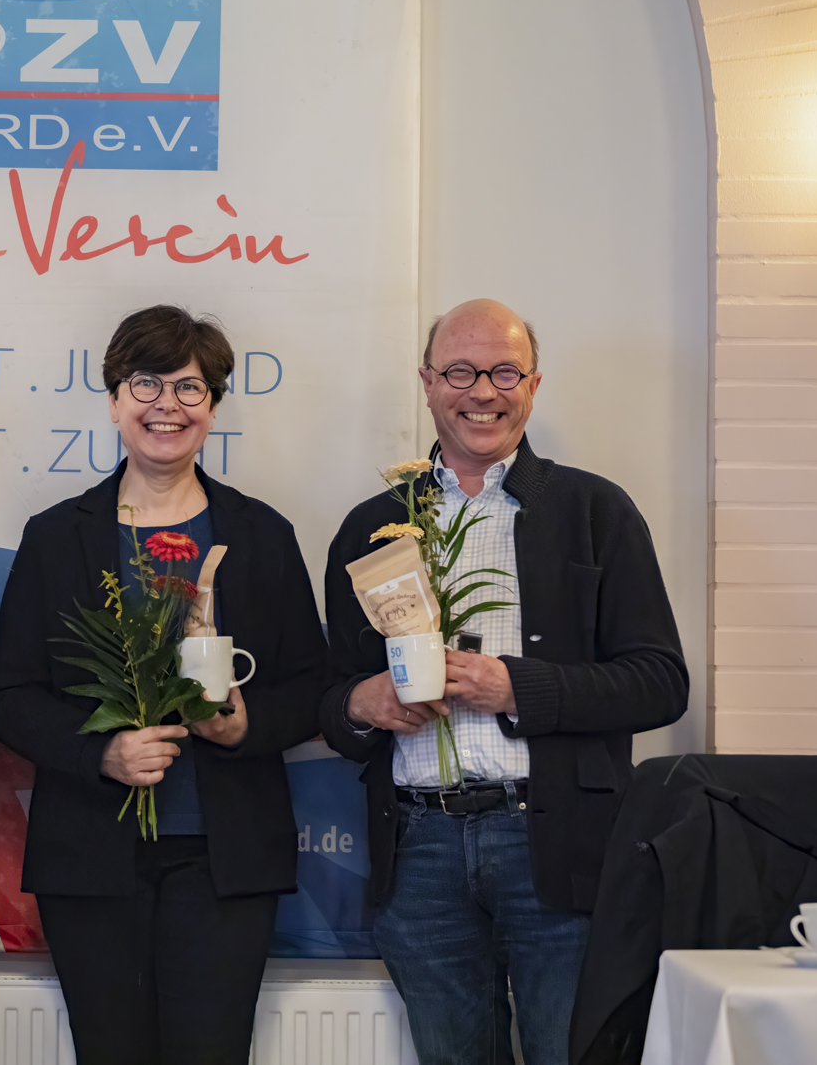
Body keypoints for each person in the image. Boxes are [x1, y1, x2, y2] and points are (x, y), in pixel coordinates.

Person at [318, 298, 688, 1065]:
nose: (482, 391)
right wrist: (362, 704)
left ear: (533, 385)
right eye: (459, 371)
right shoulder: (371, 526)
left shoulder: (595, 511)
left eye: (504, 372)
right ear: (426, 383)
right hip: (418, 852)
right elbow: (326, 700)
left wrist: (516, 689)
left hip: (557, 847)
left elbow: (659, 682)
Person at [0, 306, 328, 1065]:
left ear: (213, 408)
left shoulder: (262, 535)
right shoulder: (57, 536)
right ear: (114, 400)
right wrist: (100, 753)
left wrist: (244, 723)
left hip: (226, 859)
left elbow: (312, 685)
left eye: (189, 388)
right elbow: (10, 697)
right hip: (90, 858)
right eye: (145, 384)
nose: (166, 405)